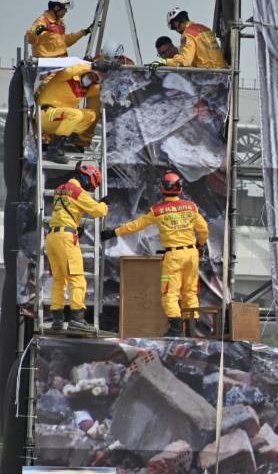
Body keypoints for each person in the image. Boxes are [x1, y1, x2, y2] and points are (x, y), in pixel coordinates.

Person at [101, 172, 209, 337]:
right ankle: (191, 330)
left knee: (170, 293)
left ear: (162, 188)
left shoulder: (157, 210)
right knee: (190, 292)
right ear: (180, 189)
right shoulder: (191, 207)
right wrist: (200, 245)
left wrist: (113, 232)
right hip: (192, 254)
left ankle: (175, 330)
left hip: (173, 257)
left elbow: (136, 226)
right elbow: (203, 229)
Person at [46, 163, 106, 332]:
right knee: (77, 279)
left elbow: (66, 211)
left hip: (52, 237)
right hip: (66, 238)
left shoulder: (60, 189)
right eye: (92, 185)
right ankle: (77, 319)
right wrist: (104, 204)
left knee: (59, 279)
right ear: (86, 177)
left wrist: (76, 224)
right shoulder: (78, 192)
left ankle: (57, 319)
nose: (90, 188)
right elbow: (98, 211)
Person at [36, 62, 102, 160]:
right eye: (90, 75)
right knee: (76, 114)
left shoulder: (85, 89)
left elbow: (103, 88)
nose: (91, 79)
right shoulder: (64, 77)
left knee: (90, 115)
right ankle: (53, 150)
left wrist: (114, 72)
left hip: (60, 119)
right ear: (85, 72)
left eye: (94, 79)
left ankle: (68, 141)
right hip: (46, 115)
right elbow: (69, 71)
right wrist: (92, 65)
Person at [26, 0, 90, 58]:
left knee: (89, 63)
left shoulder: (60, 23)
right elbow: (29, 38)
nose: (66, 11)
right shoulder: (42, 21)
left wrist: (84, 32)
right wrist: (36, 31)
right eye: (65, 8)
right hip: (47, 63)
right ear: (56, 8)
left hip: (60, 61)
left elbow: (64, 42)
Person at [157, 7, 227, 69]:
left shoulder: (188, 34)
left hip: (210, 73)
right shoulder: (204, 28)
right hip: (223, 71)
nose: (175, 30)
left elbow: (185, 61)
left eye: (173, 26)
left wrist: (164, 62)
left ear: (177, 22)